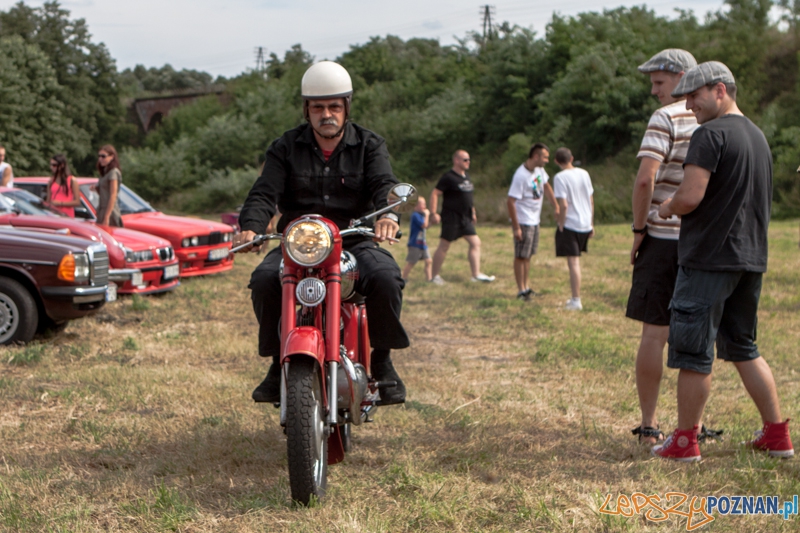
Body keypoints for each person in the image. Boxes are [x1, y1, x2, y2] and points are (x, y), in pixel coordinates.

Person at [232, 61, 409, 406]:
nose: (326, 114)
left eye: (334, 106)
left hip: (354, 238)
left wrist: (387, 215)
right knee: (265, 280)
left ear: (346, 107)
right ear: (307, 110)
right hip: (299, 244)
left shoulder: (369, 145)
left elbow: (383, 185)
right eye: (318, 107)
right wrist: (251, 226)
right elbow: (264, 192)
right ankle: (275, 363)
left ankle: (383, 361)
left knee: (386, 276)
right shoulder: (285, 147)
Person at [653, 61, 793, 461]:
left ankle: (684, 442)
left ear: (719, 90)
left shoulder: (709, 134)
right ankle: (776, 435)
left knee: (693, 352)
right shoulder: (758, 137)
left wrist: (666, 208)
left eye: (693, 97)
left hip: (709, 259)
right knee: (744, 347)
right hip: (750, 260)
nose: (689, 107)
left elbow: (691, 195)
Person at [626, 49, 717, 446]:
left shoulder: (664, 119)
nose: (654, 92)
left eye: (660, 83)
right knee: (698, 337)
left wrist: (639, 228)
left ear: (683, 78)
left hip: (663, 240)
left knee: (654, 334)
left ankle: (649, 424)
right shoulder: (715, 121)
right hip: (700, 243)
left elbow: (646, 179)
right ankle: (692, 425)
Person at [429, 150, 495, 284]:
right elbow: (435, 194)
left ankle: (476, 275)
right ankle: (434, 276)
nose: (468, 162)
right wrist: (433, 212)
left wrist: (473, 212)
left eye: (469, 159)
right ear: (457, 161)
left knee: (475, 243)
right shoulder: (448, 177)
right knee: (444, 246)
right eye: (465, 160)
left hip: (465, 218)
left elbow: (468, 198)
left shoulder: (467, 177)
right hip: (451, 217)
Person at [507, 142, 558, 300]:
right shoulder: (520, 175)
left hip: (535, 220)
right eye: (545, 157)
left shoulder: (539, 170)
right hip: (523, 221)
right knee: (520, 256)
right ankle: (520, 290)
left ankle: (526, 287)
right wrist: (516, 228)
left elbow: (546, 186)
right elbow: (510, 201)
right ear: (535, 156)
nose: (547, 161)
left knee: (528, 255)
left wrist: (555, 205)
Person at [553, 148, 593, 311]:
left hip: (571, 224)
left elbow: (563, 205)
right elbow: (591, 200)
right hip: (585, 222)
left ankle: (576, 299)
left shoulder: (560, 177)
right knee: (576, 261)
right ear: (571, 158)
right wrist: (591, 223)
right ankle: (575, 298)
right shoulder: (584, 173)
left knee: (573, 262)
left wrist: (561, 224)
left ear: (556, 161)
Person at [402, 197, 432, 281]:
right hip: (415, 243)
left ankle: (429, 279)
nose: (425, 206)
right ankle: (403, 278)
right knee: (411, 262)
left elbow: (426, 227)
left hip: (423, 243)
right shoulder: (415, 215)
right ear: (416, 206)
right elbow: (423, 225)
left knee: (428, 261)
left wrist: (432, 222)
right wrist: (427, 215)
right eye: (423, 204)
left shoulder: (421, 216)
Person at [94, 145, 123, 227]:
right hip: (102, 209)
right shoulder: (104, 172)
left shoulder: (113, 172)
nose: (100, 159)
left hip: (110, 211)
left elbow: (113, 195)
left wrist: (107, 216)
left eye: (103, 156)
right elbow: (104, 194)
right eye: (99, 156)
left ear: (112, 157)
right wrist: (97, 188)